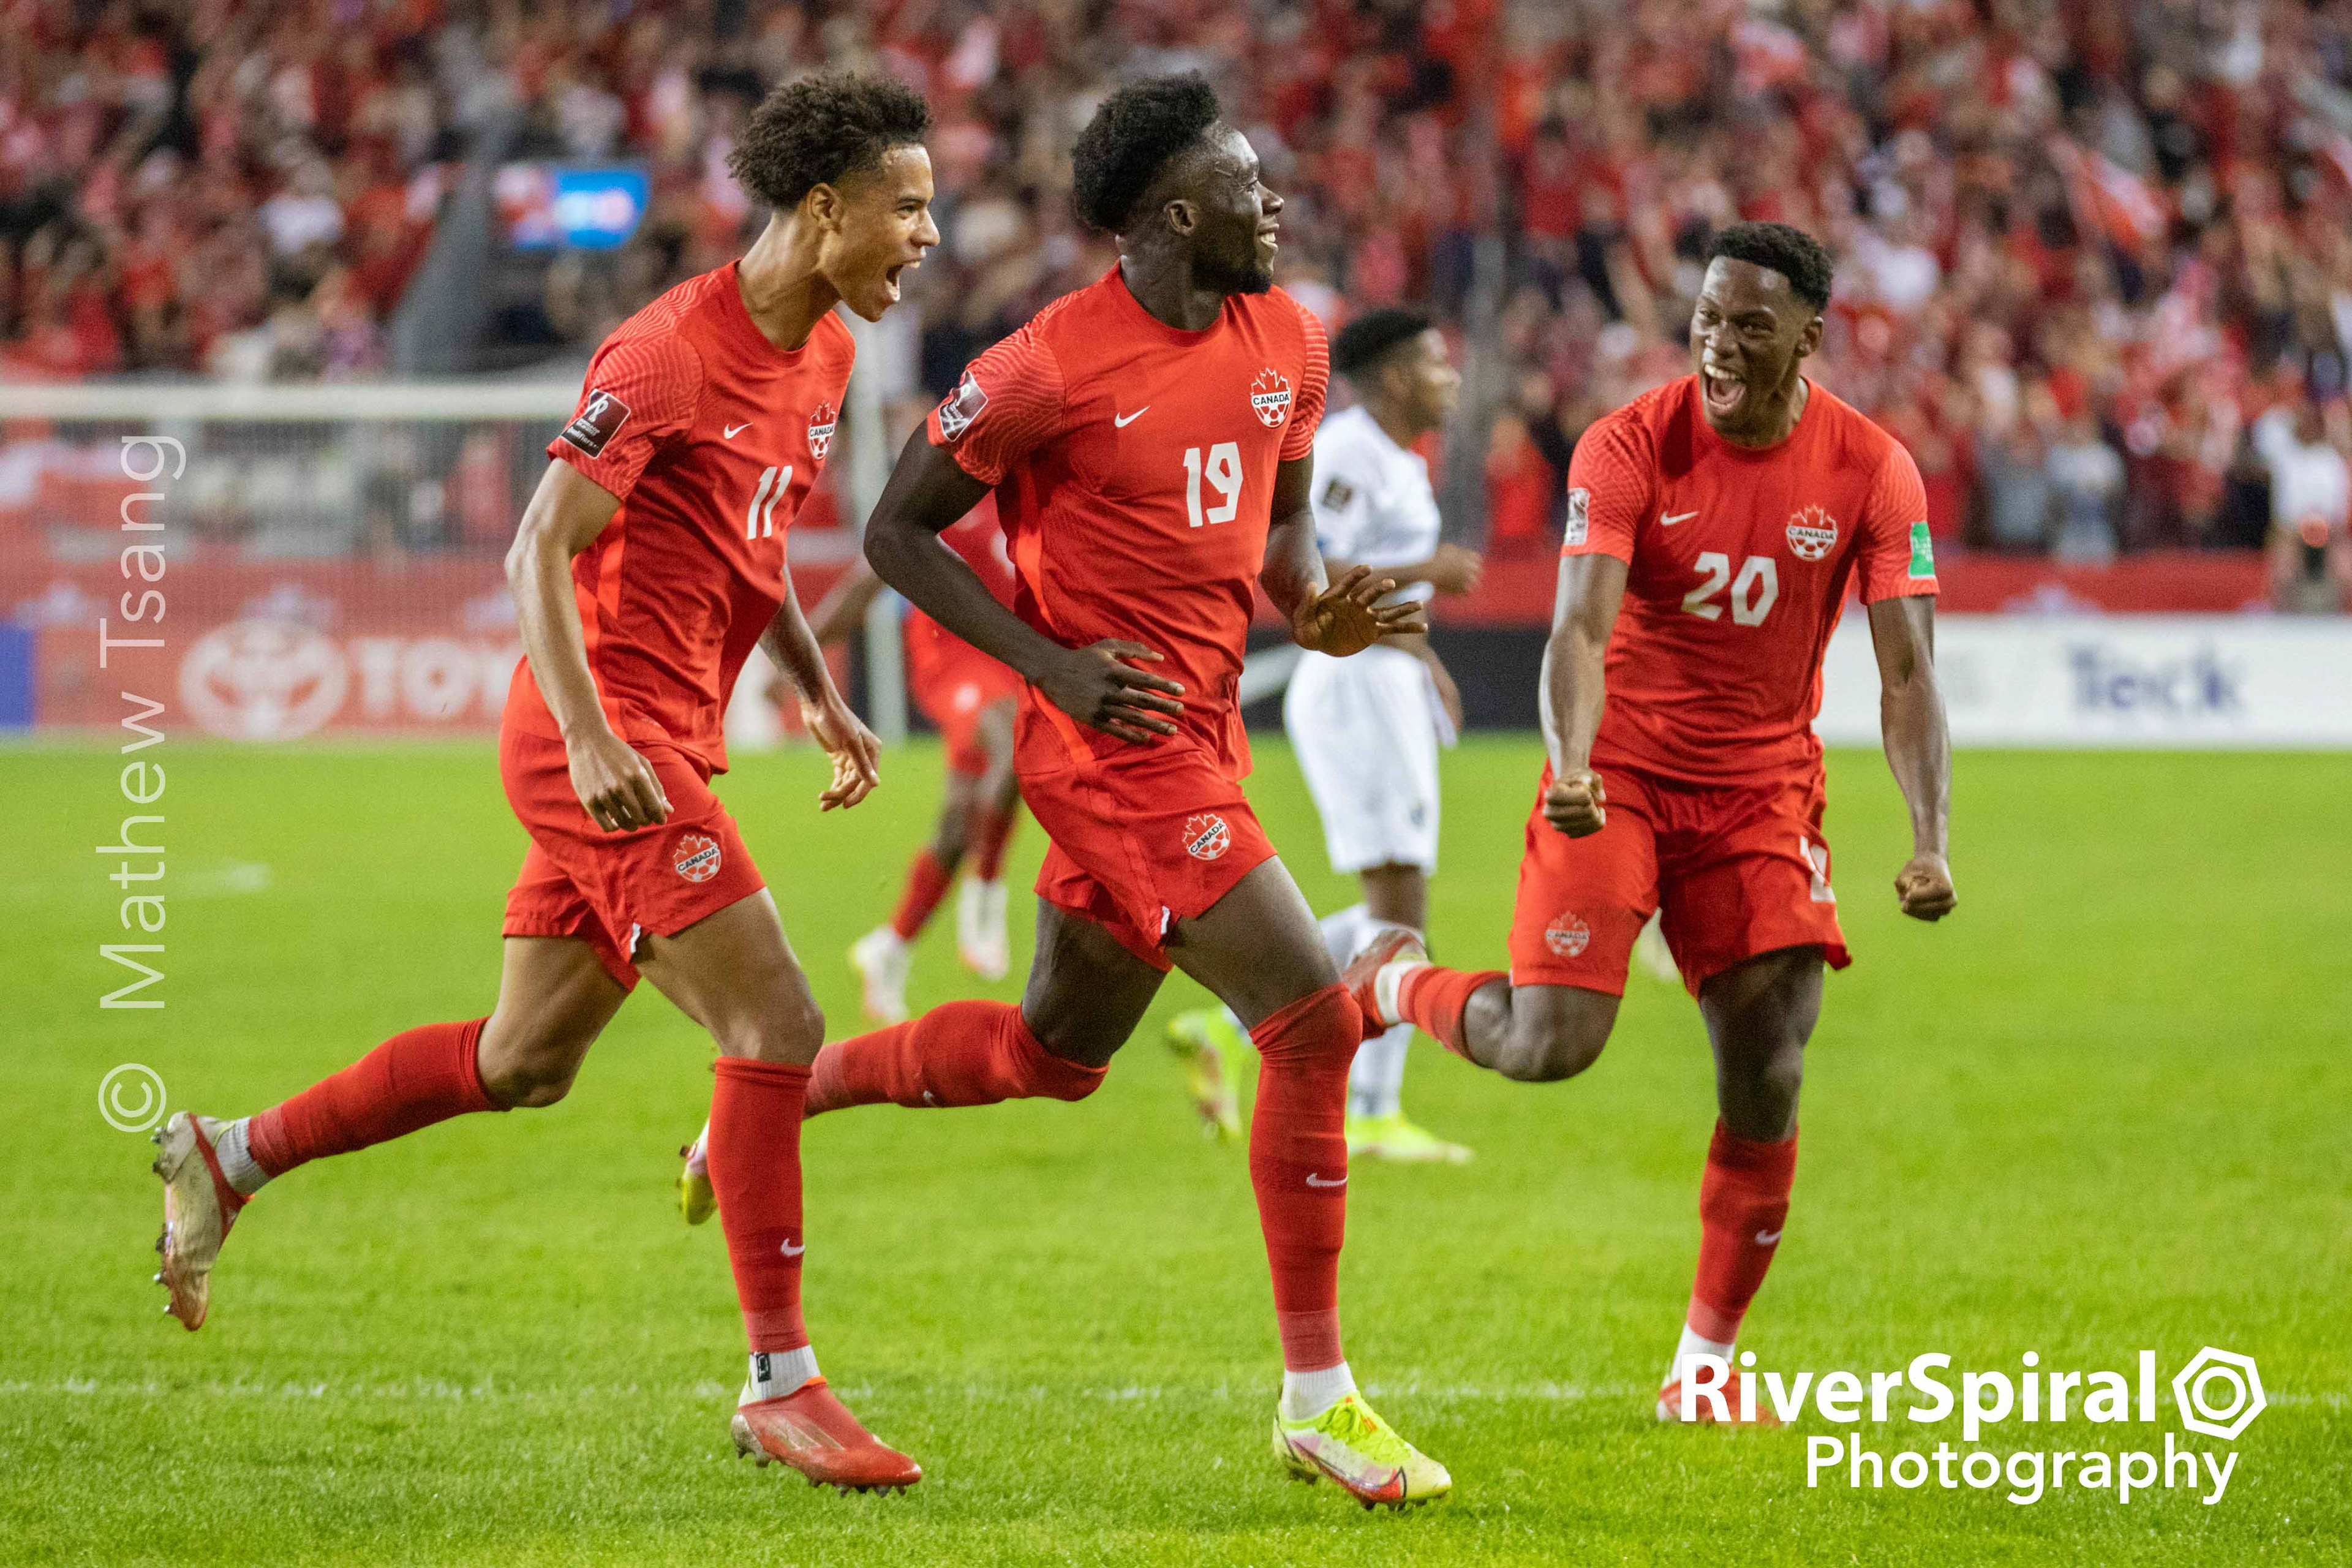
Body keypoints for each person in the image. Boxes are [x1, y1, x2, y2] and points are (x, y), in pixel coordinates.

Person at [146, 74, 940, 1492]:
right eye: (910, 206)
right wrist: (585, 737)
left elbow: (745, 553)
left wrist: (817, 691)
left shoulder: (819, 359)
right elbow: (533, 549)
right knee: (778, 1015)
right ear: (825, 209)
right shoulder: (663, 356)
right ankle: (782, 1381)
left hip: (669, 738)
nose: (927, 235)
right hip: (604, 738)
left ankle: (230, 1154)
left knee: (525, 1063)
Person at [800, 74, 1451, 1507]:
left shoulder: (1290, 339)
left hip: (1202, 732)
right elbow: (896, 532)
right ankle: (1320, 1401)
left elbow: (1275, 543)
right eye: (1244, 180)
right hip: (1110, 750)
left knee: (1053, 1051)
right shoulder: (1044, 364)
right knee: (1311, 1017)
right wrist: (1050, 664)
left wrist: (1316, 608)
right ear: (1172, 212)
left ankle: (773, 1098)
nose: (1272, 200)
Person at [1343, 222, 1958, 1424]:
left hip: (1761, 790)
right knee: (1550, 1041)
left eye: (1750, 326)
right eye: (1707, 321)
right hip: (1616, 769)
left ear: (1809, 338)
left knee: (1770, 1062)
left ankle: (1706, 1366)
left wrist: (1928, 832)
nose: (1720, 346)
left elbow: (1907, 669)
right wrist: (1571, 758)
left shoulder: (1876, 468)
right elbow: (1577, 626)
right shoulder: (1628, 443)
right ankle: (1391, 976)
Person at [1163, 307, 1483, 1163]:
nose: (1450, 378)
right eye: (1432, 362)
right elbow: (1306, 562)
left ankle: (1230, 1025)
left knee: (1400, 901)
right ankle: (1371, 1109)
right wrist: (1429, 572)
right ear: (1387, 377)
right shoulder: (1344, 450)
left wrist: (1426, 663)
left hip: (1387, 679)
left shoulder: (1401, 463)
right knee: (1400, 904)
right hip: (1350, 685)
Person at [676, 499, 1022, 1227]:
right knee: (1006, 751)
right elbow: (868, 581)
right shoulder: (958, 483)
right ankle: (984, 907)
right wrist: (801, 675)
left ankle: (890, 948)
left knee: (965, 811)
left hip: (1006, 650)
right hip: (951, 655)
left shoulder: (1032, 490)